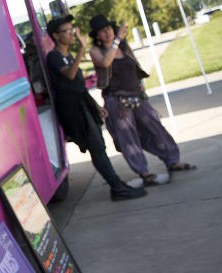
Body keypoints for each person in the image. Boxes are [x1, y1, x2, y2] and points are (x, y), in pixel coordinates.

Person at [45, 15, 146, 201]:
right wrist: (82, 49)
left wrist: (95, 106)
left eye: (71, 29)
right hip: (73, 112)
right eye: (67, 31)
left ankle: (116, 184)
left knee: (99, 145)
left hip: (83, 106)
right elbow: (69, 75)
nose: (72, 34)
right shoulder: (54, 56)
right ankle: (116, 187)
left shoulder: (67, 56)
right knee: (96, 148)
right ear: (56, 36)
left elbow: (79, 87)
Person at [87, 14, 195, 185]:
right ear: (97, 35)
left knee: (155, 126)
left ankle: (172, 160)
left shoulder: (122, 44)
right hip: (116, 100)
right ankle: (143, 172)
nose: (107, 33)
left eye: (108, 28)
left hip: (136, 95)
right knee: (127, 137)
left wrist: (140, 82)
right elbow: (106, 62)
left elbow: (133, 63)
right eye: (102, 31)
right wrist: (116, 40)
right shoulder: (96, 51)